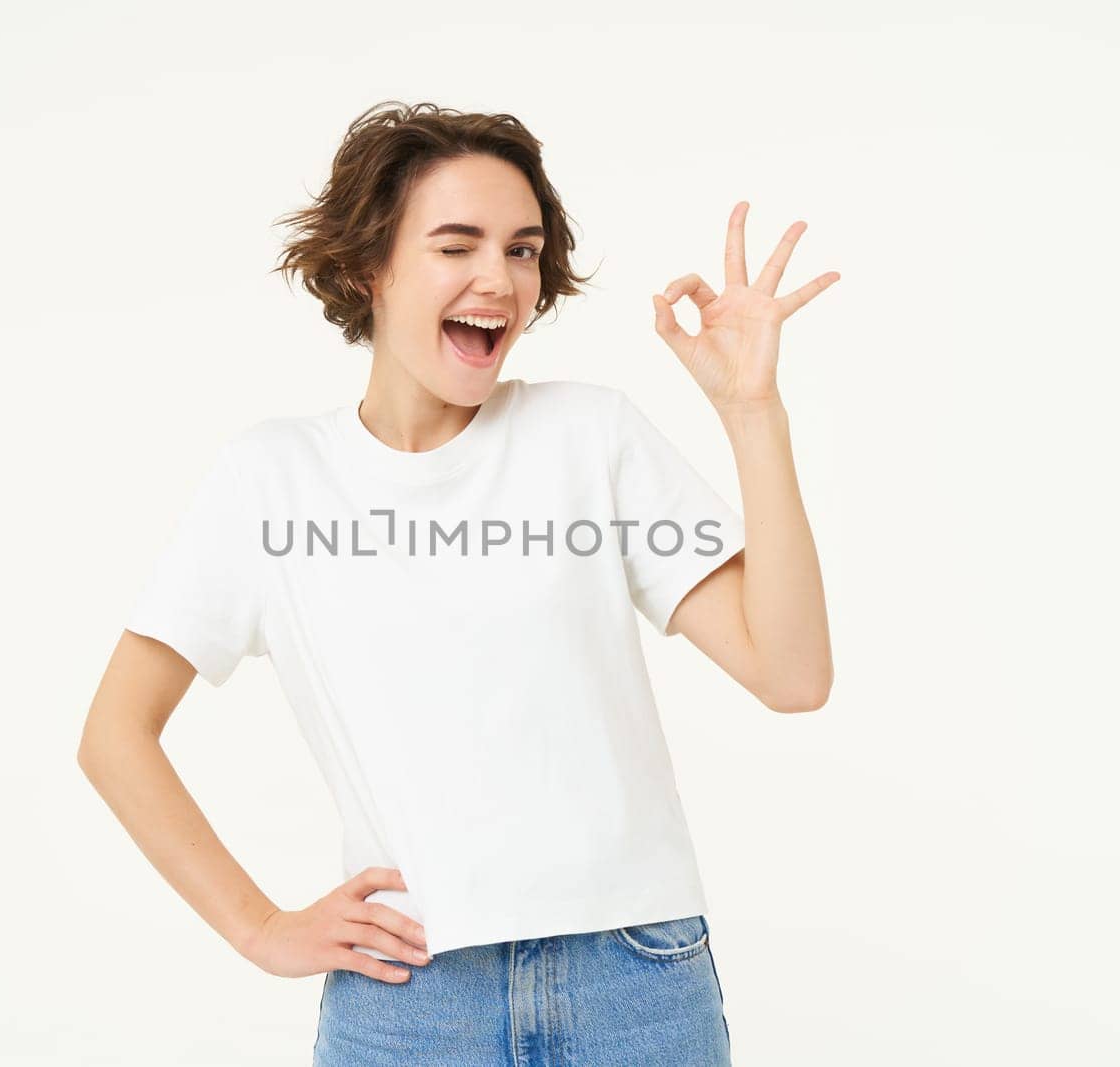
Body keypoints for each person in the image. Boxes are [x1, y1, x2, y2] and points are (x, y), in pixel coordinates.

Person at [77, 100, 837, 1065]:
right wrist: (260, 927)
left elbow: (794, 675)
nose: (501, 279)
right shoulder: (271, 478)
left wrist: (752, 410)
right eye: (457, 245)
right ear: (368, 268)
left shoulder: (589, 437)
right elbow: (114, 735)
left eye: (522, 250)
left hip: (634, 980)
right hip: (408, 998)